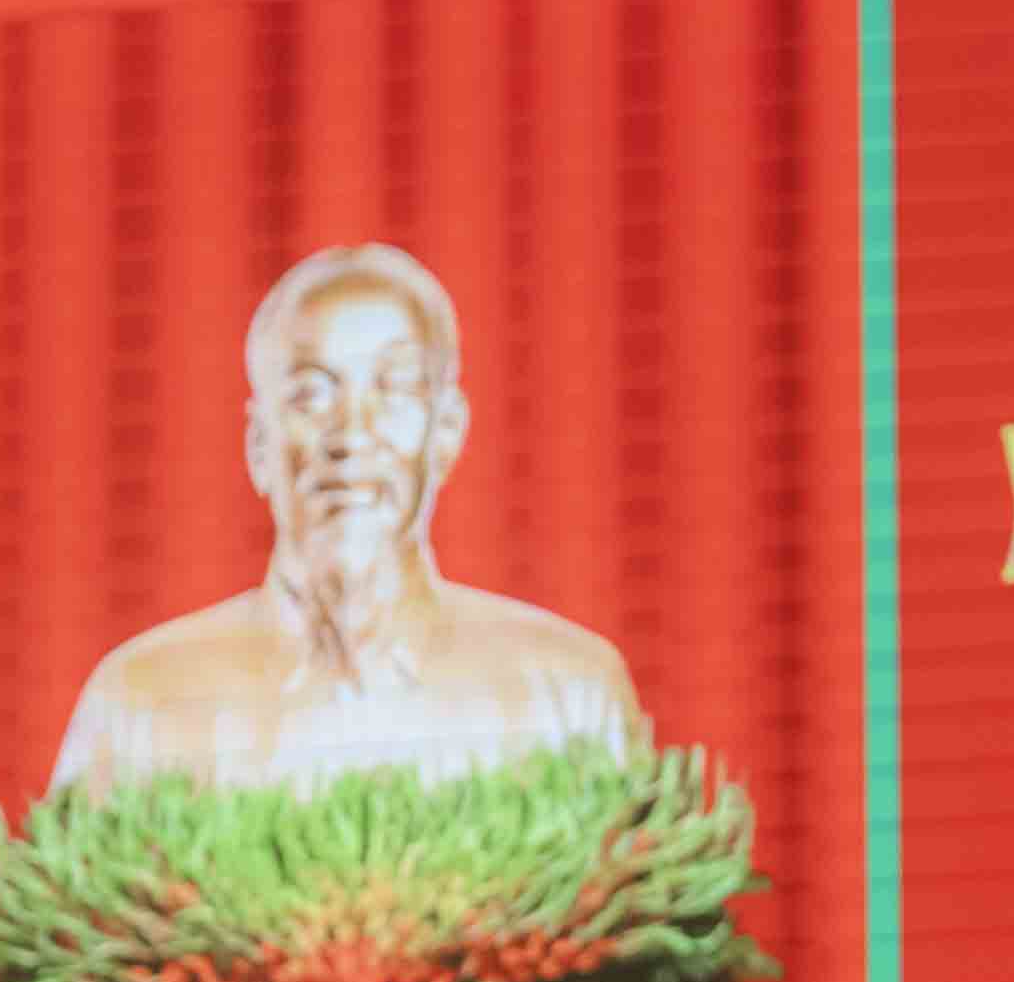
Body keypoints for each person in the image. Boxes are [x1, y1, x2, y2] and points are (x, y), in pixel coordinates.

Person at [47, 242, 650, 795]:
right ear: (259, 446)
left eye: (393, 389)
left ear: (445, 432)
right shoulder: (140, 699)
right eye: (311, 395)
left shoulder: (571, 693)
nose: (352, 435)